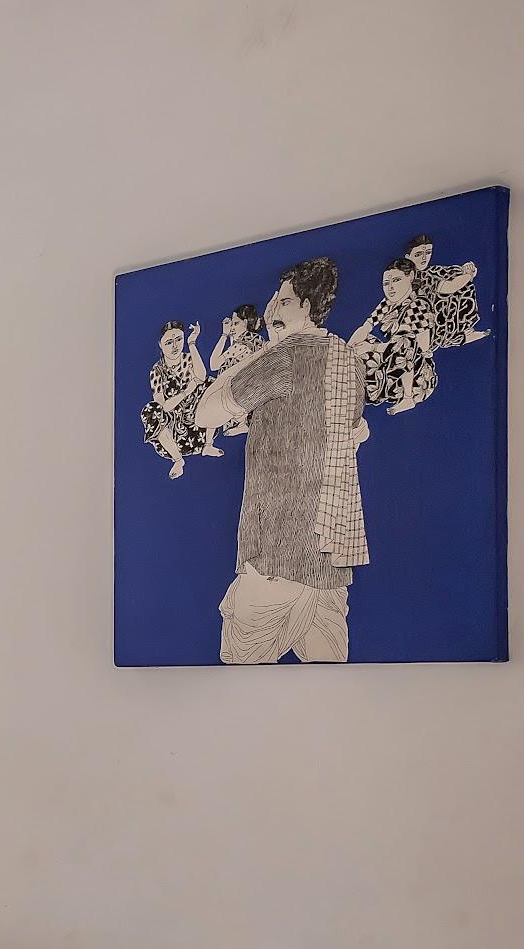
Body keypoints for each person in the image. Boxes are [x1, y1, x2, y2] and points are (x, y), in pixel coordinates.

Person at [194, 257, 367, 663]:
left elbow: (206, 412)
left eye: (283, 301)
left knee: (240, 675)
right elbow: (355, 431)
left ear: (305, 307)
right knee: (331, 687)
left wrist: (258, 351)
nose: (273, 307)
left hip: (277, 553)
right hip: (329, 563)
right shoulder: (350, 362)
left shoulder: (283, 357)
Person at [351, 258, 439, 415]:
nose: (390, 288)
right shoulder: (388, 303)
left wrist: (373, 348)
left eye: (396, 280)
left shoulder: (418, 305)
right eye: (386, 284)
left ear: (410, 276)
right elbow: (366, 326)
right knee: (365, 339)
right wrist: (348, 349)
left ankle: (407, 399)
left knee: (405, 339)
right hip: (391, 358)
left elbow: (423, 348)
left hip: (416, 374)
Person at [141, 319, 210, 477]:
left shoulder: (188, 358)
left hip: (196, 421)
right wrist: (187, 391)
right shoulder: (156, 370)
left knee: (210, 384)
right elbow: (162, 407)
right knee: (151, 411)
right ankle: (178, 460)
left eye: (179, 340)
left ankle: (208, 444)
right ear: (160, 344)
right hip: (174, 429)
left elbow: (202, 376)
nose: (175, 346)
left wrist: (192, 343)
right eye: (169, 342)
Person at [405, 234, 487, 350]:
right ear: (408, 257)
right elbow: (450, 287)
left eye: (428, 253)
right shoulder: (418, 277)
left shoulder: (430, 272)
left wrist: (462, 271)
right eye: (418, 254)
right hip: (420, 325)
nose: (424, 258)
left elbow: (448, 277)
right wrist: (468, 275)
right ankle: (455, 335)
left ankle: (458, 332)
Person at [209, 304, 266, 375]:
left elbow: (214, 364)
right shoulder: (255, 339)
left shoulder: (248, 341)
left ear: (245, 322)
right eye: (231, 324)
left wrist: (224, 335)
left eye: (236, 323)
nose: (232, 328)